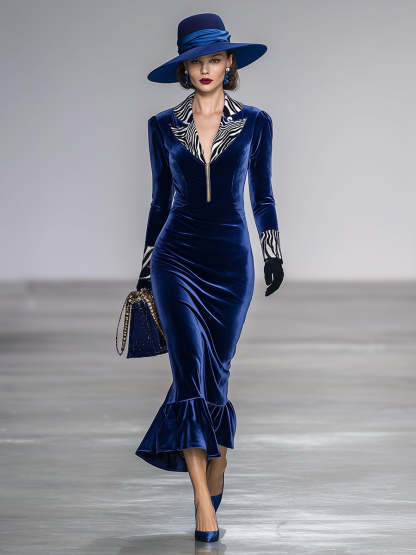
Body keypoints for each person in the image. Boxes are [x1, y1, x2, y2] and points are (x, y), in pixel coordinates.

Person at [134, 13, 284, 543]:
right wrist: (146, 269)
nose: (205, 68)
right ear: (184, 67)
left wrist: (272, 253)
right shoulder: (161, 126)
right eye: (195, 60)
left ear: (229, 63)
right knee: (190, 374)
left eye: (214, 59)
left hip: (230, 265)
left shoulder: (256, 122)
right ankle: (202, 500)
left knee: (216, 375)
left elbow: (262, 195)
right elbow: (159, 202)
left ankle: (216, 459)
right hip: (176, 259)